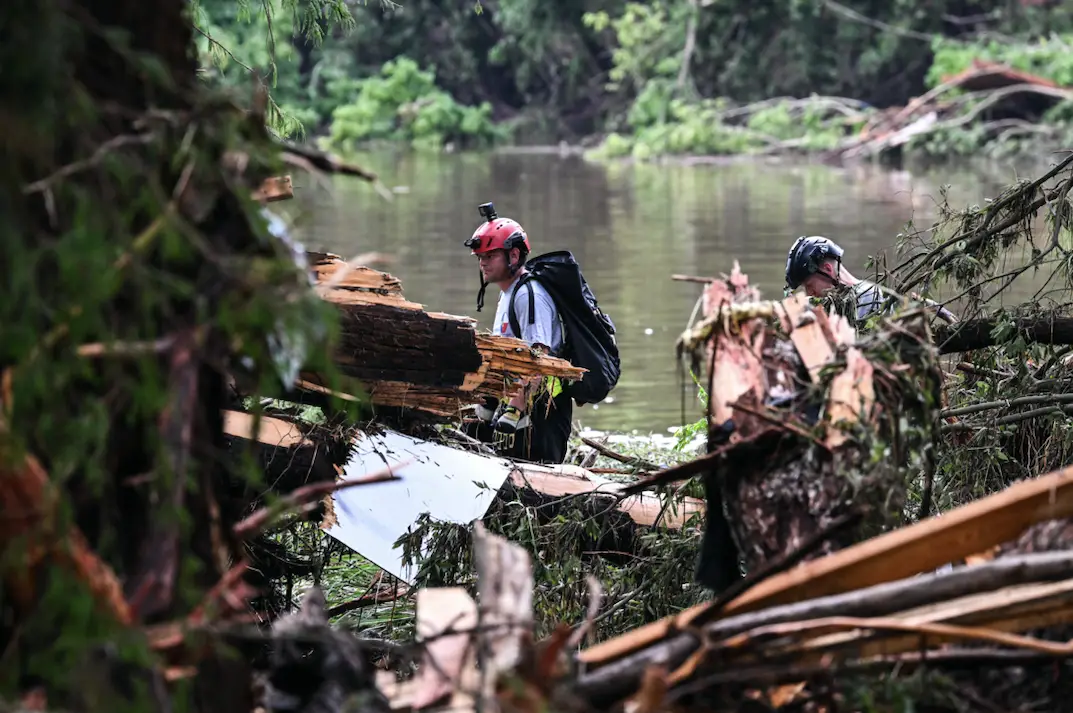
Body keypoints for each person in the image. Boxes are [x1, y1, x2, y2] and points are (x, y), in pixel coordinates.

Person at [462, 205, 574, 464]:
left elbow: (539, 357)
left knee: (540, 488)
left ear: (513, 255)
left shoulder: (528, 295)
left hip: (543, 411)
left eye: (490, 255)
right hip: (519, 407)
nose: (482, 262)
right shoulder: (508, 293)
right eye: (480, 256)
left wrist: (515, 409)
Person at [784, 235, 958, 325]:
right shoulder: (828, 305)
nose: (809, 293)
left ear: (828, 270)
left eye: (809, 285)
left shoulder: (867, 296)